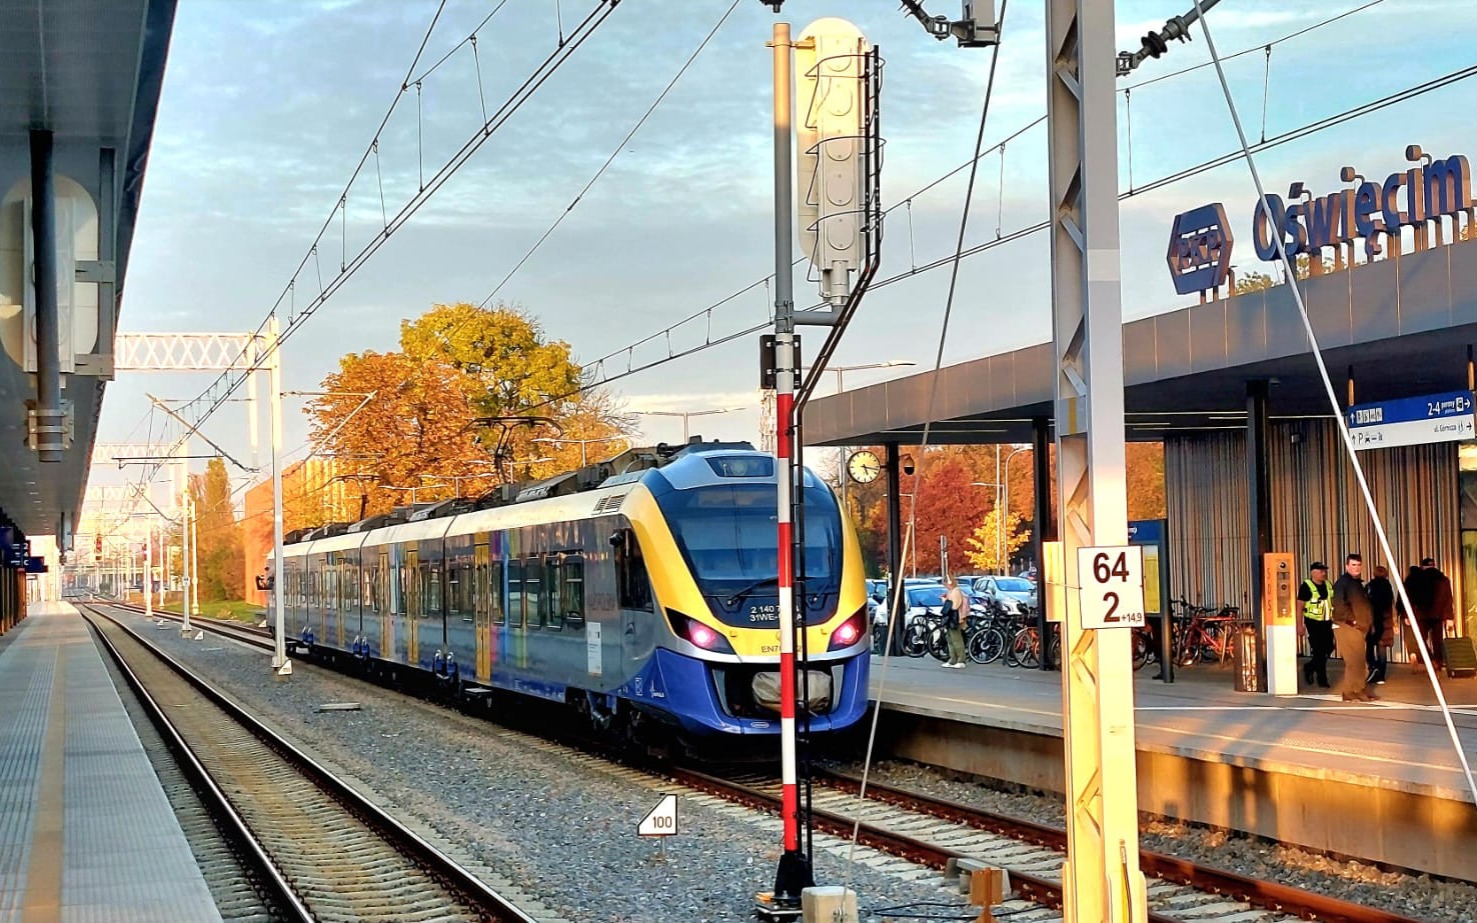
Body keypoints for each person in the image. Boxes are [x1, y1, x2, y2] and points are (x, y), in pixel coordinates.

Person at [1331, 554, 1376, 702]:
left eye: (1358, 565)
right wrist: (1354, 621)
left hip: (1356, 626)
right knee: (1355, 660)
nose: (1356, 568)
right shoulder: (1343, 583)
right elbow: (1339, 604)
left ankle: (1354, 690)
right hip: (1348, 626)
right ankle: (1355, 690)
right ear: (1347, 566)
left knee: (1357, 660)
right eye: (1353, 565)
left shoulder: (1355, 583)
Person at [1296, 561, 1334, 688]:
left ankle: (1309, 667)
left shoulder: (1328, 585)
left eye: (1325, 571)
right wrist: (1299, 625)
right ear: (1313, 572)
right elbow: (1299, 606)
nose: (1324, 573)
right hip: (1313, 623)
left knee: (1329, 647)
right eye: (1321, 571)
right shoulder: (1306, 586)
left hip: (1327, 622)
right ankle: (1322, 679)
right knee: (1319, 651)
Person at [1414, 556, 1455, 671]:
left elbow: (1413, 598)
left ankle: (1430, 659)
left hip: (1422, 614)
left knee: (1420, 639)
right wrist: (1449, 617)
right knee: (1437, 640)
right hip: (1438, 615)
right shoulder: (1443, 579)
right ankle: (1438, 661)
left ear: (1423, 566)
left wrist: (1409, 614)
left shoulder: (1418, 579)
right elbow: (1448, 599)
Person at [1365, 565, 1394, 685]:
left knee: (1370, 646)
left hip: (1372, 620)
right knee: (1382, 649)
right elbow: (1391, 604)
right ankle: (1381, 676)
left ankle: (1372, 669)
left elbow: (1365, 602)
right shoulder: (1388, 587)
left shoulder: (1370, 586)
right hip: (1385, 620)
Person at [941, 577, 968, 669]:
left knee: (956, 639)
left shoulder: (956, 592)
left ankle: (961, 659)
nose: (945, 586)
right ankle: (953, 659)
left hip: (955, 617)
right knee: (950, 639)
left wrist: (945, 601)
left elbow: (955, 606)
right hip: (952, 617)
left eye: (945, 584)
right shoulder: (951, 591)